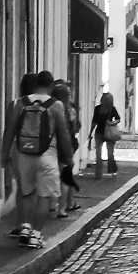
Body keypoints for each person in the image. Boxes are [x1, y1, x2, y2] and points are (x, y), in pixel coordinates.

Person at [0, 70, 62, 247]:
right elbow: (63, 133)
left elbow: (9, 131)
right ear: (50, 86)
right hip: (47, 154)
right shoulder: (55, 105)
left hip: (21, 152)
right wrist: (67, 157)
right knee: (43, 195)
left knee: (25, 191)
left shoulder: (17, 104)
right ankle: (35, 234)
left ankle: (24, 226)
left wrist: (4, 153)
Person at [51, 80, 81, 215]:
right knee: (65, 177)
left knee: (52, 176)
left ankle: (52, 204)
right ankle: (62, 208)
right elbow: (75, 128)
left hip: (51, 146)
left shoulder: (50, 107)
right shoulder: (70, 110)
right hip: (66, 145)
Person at [90, 88, 121, 176]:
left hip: (109, 132)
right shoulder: (97, 108)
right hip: (99, 132)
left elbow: (118, 118)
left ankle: (111, 169)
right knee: (98, 152)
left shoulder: (112, 109)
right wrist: (90, 132)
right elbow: (94, 121)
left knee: (110, 152)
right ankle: (98, 173)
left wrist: (112, 123)